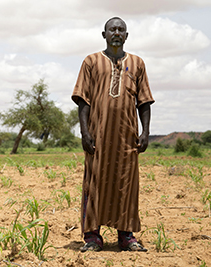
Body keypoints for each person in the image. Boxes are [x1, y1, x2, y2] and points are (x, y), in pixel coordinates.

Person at [71, 17, 154, 252]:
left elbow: (144, 101)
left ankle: (126, 236)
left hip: (128, 137)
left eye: (121, 30)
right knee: (94, 182)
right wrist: (85, 132)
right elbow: (83, 100)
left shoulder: (137, 63)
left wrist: (146, 132)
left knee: (126, 184)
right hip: (98, 136)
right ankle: (92, 237)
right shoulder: (91, 61)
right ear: (104, 34)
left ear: (126, 36)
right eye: (112, 29)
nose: (116, 32)